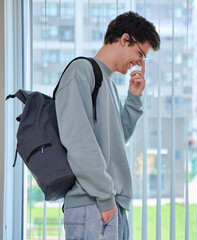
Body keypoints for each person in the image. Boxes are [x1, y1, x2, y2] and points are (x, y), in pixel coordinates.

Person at [55, 11, 160, 240]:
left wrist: (133, 99)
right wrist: (105, 200)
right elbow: (79, 142)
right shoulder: (82, 72)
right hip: (94, 204)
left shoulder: (108, 83)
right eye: (140, 54)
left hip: (109, 204)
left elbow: (115, 140)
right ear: (124, 39)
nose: (140, 63)